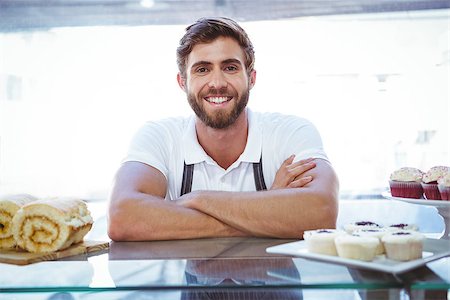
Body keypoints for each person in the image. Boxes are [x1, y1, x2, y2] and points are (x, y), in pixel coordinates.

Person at [107, 17, 339, 241]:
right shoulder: (159, 137)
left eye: (230, 67)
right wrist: (268, 208)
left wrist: (197, 199)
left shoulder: (291, 132)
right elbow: (122, 217)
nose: (217, 83)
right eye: (202, 69)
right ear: (182, 82)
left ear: (251, 78)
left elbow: (322, 212)